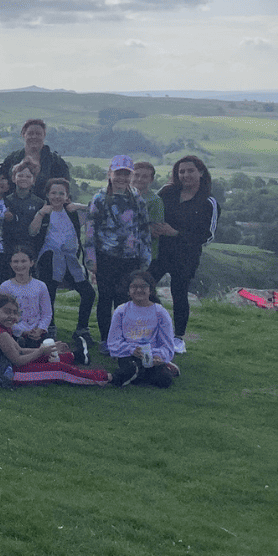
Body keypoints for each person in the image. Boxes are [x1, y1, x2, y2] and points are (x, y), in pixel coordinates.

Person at [0, 294, 108, 387]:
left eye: (14, 313)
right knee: (59, 370)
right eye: (7, 312)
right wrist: (41, 351)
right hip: (5, 374)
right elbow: (18, 360)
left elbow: (20, 350)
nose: (12, 316)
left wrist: (50, 349)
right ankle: (104, 378)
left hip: (7, 366)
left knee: (47, 358)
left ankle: (75, 356)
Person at [150, 156, 217, 354]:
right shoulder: (167, 192)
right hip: (160, 251)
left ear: (201, 172)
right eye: (182, 171)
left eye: (190, 171)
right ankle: (155, 326)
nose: (185, 175)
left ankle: (178, 338)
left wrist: (176, 233)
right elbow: (151, 210)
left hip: (186, 256)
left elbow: (207, 236)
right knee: (144, 285)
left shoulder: (208, 202)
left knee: (179, 295)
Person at [85, 155, 152, 348]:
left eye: (126, 174)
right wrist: (90, 259)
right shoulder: (99, 198)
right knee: (106, 298)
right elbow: (90, 230)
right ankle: (106, 339)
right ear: (110, 173)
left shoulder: (137, 199)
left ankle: (123, 338)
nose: (122, 178)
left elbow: (144, 229)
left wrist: (145, 257)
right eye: (118, 173)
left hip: (130, 259)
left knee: (125, 300)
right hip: (106, 257)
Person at [29, 177, 94, 349]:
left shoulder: (72, 212)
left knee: (88, 293)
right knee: (49, 293)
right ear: (47, 195)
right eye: (53, 193)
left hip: (70, 259)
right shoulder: (44, 212)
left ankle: (82, 328)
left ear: (67, 196)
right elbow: (32, 232)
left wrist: (77, 206)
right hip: (49, 258)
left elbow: (95, 211)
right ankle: (49, 327)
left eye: (61, 193)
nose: (57, 196)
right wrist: (40, 213)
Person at [107, 271, 178, 387]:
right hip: (129, 355)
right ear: (128, 290)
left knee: (164, 380)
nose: (139, 290)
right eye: (134, 287)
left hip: (152, 356)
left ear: (150, 290)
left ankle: (163, 367)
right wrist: (131, 350)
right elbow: (113, 342)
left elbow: (167, 343)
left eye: (143, 286)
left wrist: (159, 356)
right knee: (132, 370)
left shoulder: (160, 312)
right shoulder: (121, 311)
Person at [0, 119, 70, 200]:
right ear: (23, 135)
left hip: (47, 206)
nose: (34, 137)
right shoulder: (12, 159)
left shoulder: (57, 162)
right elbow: (2, 183)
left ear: (44, 135)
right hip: (12, 205)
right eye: (30, 133)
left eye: (38, 134)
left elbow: (65, 189)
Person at [0, 246, 52, 349]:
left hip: (38, 332)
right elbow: (3, 314)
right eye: (16, 261)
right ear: (10, 264)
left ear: (31, 263)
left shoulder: (41, 286)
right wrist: (21, 331)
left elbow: (47, 313)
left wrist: (40, 329)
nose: (19, 265)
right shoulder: (5, 287)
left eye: (23, 261)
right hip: (14, 333)